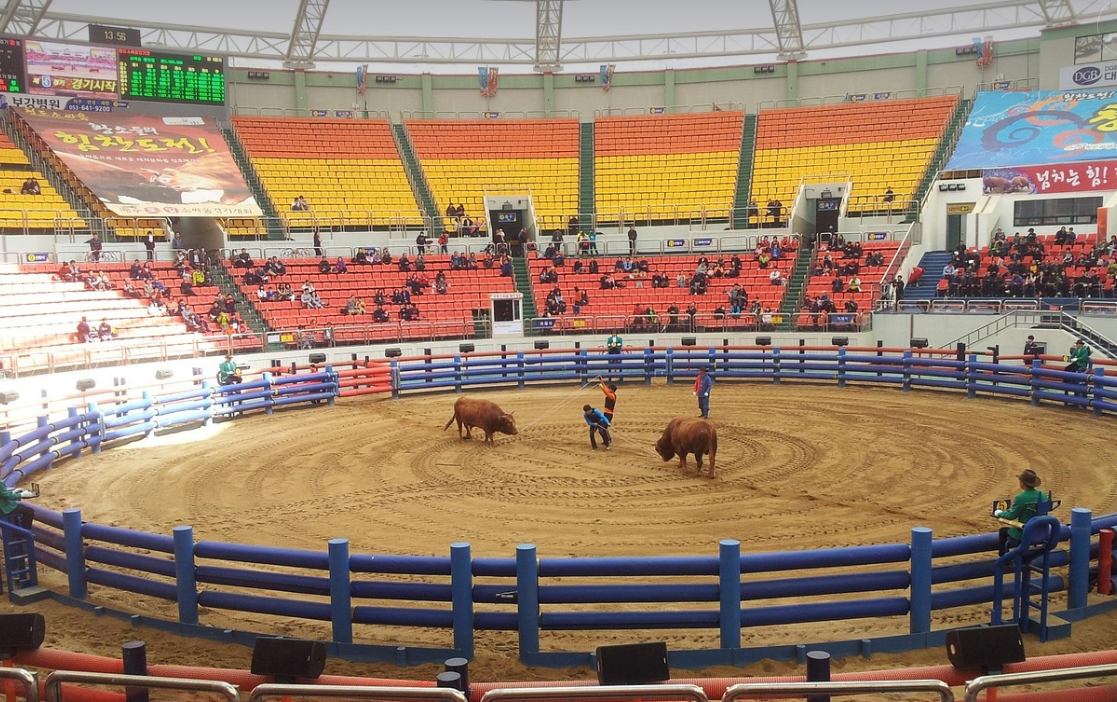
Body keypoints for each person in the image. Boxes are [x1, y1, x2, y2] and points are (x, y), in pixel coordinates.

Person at [995, 469, 1048, 555]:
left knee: (1003, 531)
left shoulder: (1021, 498)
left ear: (1022, 483)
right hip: (1041, 530)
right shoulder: (1043, 495)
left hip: (1025, 531)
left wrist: (999, 513)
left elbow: (1011, 516)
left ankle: (1004, 559)